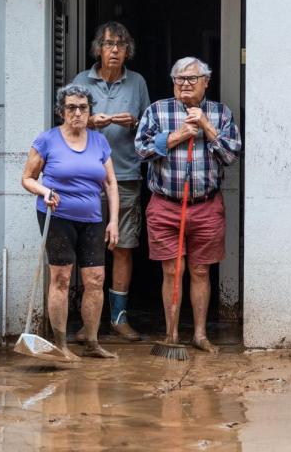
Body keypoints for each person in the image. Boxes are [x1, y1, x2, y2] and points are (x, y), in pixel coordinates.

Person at [135, 57, 241, 354]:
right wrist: (178, 135)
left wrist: (206, 126)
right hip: (166, 204)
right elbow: (140, 149)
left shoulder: (220, 114)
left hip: (205, 205)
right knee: (172, 271)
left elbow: (231, 155)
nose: (185, 84)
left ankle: (199, 334)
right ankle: (171, 335)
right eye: (179, 79)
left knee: (200, 271)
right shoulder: (157, 110)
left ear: (206, 81)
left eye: (192, 79)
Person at [22, 83, 120, 360]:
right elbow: (27, 178)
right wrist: (45, 191)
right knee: (62, 278)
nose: (77, 113)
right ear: (61, 111)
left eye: (83, 108)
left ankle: (91, 342)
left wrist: (113, 221)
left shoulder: (99, 141)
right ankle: (61, 344)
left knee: (96, 279)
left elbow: (111, 183)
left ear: (90, 112)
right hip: (57, 216)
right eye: (71, 107)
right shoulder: (47, 140)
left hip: (92, 217)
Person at [71, 21, 151, 342]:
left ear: (128, 50)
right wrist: (89, 121)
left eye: (120, 45)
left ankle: (119, 319)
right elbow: (68, 125)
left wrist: (134, 123)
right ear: (98, 50)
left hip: (126, 176)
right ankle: (88, 321)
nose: (114, 50)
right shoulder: (81, 81)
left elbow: (150, 129)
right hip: (86, 179)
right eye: (108, 44)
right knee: (89, 248)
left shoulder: (138, 83)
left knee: (123, 248)